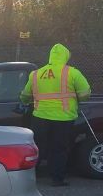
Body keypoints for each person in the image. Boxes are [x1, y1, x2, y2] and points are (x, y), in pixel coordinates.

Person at [20, 43, 91, 187]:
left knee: (37, 147)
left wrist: (27, 101)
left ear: (50, 56)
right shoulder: (72, 73)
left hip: (40, 117)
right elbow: (85, 94)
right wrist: (77, 99)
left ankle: (28, 179)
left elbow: (25, 96)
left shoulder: (36, 74)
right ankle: (57, 179)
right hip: (63, 118)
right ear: (65, 56)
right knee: (59, 149)